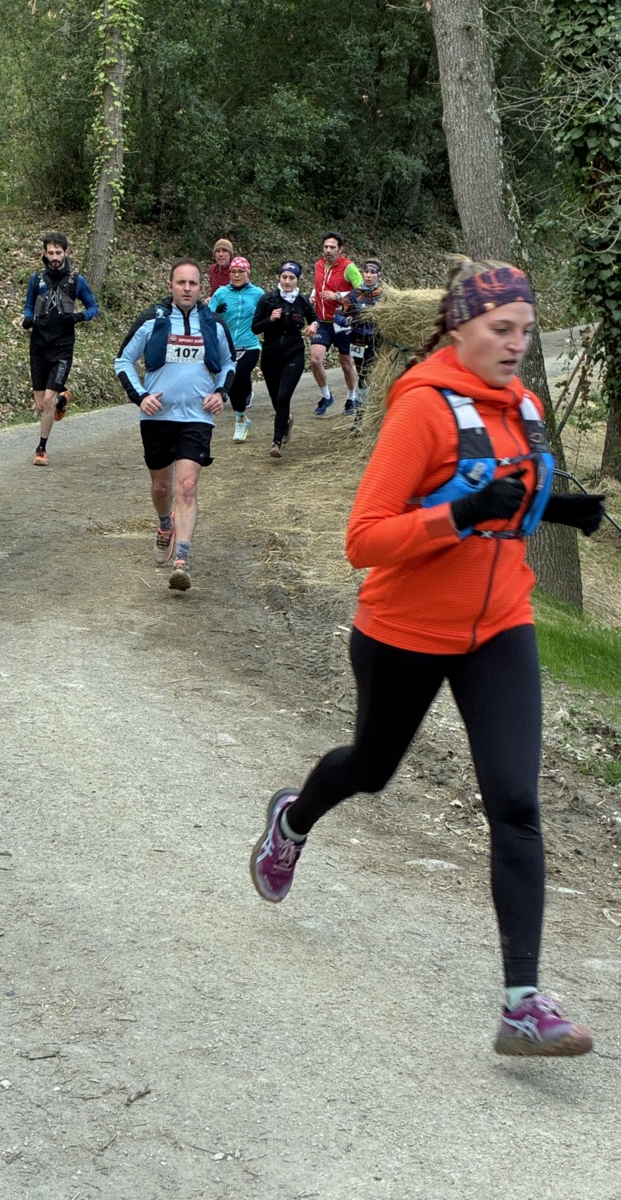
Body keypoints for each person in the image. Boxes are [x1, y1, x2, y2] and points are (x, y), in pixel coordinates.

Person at [249, 258, 607, 1057]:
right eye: (500, 329)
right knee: (371, 769)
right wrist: (462, 513)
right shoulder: (422, 407)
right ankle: (293, 819)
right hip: (403, 628)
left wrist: (563, 509)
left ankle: (522, 1005)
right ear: (459, 327)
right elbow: (364, 539)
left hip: (500, 625)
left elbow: (509, 494)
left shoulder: (525, 406)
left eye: (525, 330)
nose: (516, 344)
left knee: (515, 801)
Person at [114, 258, 235, 591]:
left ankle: (181, 560)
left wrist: (221, 392)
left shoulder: (213, 323)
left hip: (197, 417)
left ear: (201, 288)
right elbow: (123, 361)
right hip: (156, 416)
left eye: (193, 283)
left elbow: (229, 363)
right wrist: (140, 396)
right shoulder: (152, 320)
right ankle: (165, 523)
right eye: (181, 282)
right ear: (170, 286)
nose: (187, 288)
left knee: (187, 487)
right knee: (161, 488)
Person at [22, 232, 99, 466]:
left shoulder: (76, 280)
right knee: (40, 404)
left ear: (66, 252)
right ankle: (62, 398)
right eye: (51, 253)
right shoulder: (37, 278)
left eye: (58, 252)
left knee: (47, 401)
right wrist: (27, 318)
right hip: (38, 345)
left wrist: (78, 317)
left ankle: (41, 448)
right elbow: (28, 305)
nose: (55, 257)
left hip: (63, 347)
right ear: (45, 254)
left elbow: (93, 307)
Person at [251, 261, 318, 458]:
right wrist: (269, 319)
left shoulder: (302, 301)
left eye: (292, 278)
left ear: (297, 280)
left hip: (293, 353)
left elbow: (314, 318)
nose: (287, 281)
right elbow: (255, 328)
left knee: (283, 397)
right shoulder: (268, 299)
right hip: (271, 355)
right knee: (276, 398)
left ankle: (276, 442)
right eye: (284, 277)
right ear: (279, 278)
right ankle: (286, 421)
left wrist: (314, 326)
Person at [209, 256, 264, 441]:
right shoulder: (221, 293)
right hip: (226, 347)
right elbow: (206, 318)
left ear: (248, 273)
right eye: (233, 272)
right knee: (232, 383)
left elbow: (266, 317)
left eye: (241, 271)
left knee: (236, 378)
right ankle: (242, 417)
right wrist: (216, 313)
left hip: (250, 345)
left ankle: (239, 422)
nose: (236, 275)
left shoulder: (258, 294)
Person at [309, 232, 363, 415]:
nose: (328, 250)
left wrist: (337, 296)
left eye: (332, 247)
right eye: (326, 247)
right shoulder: (318, 265)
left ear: (340, 249)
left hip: (342, 321)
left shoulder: (349, 267)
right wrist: (313, 295)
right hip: (322, 321)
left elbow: (361, 291)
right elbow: (318, 285)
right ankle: (326, 396)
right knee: (315, 359)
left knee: (346, 363)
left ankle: (351, 397)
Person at [337, 258, 384, 429]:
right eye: (366, 272)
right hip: (358, 341)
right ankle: (361, 417)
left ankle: (366, 417)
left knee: (373, 376)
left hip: (379, 342)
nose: (369, 275)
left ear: (378, 275)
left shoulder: (384, 296)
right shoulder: (353, 295)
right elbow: (339, 314)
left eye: (373, 272)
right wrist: (345, 320)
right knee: (363, 376)